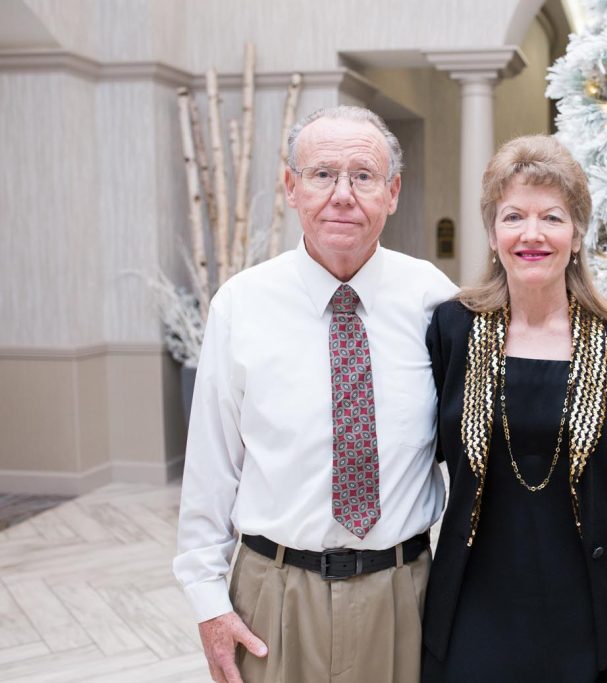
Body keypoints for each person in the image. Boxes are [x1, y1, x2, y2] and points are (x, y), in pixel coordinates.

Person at [173, 105, 457, 683]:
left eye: (363, 176)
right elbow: (211, 465)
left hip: (405, 595)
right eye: (322, 174)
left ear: (392, 192)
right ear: (291, 186)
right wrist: (208, 602)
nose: (342, 195)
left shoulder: (436, 303)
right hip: (273, 596)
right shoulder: (241, 305)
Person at [421, 135, 607, 683]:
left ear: (577, 234)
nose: (531, 234)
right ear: (493, 234)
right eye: (513, 216)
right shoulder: (452, 330)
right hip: (471, 613)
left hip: (590, 618)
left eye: (552, 218)